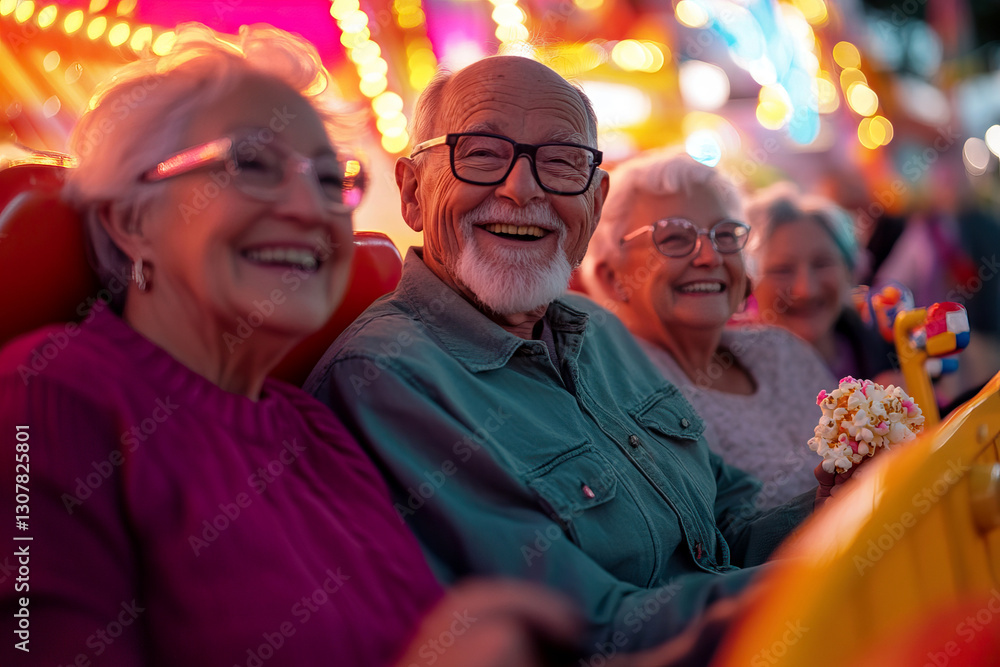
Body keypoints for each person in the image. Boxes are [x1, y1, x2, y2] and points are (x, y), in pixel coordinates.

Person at [0, 25, 585, 667]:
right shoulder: (46, 397)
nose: (312, 210)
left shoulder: (313, 427)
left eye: (331, 180)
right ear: (132, 219)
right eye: (251, 165)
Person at [307, 55, 854, 657]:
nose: (522, 189)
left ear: (594, 203)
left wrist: (848, 503)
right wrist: (838, 571)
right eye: (482, 153)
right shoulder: (387, 376)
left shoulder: (598, 329)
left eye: (562, 161)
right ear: (412, 192)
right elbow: (592, 631)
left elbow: (727, 524)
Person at [579, 151, 835, 507]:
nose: (710, 256)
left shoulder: (782, 351)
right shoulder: (613, 394)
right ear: (611, 277)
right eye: (674, 238)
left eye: (725, 234)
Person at [744, 183, 897, 384]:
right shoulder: (737, 380)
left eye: (822, 264)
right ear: (750, 281)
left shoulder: (890, 351)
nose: (806, 290)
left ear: (849, 270)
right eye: (783, 270)